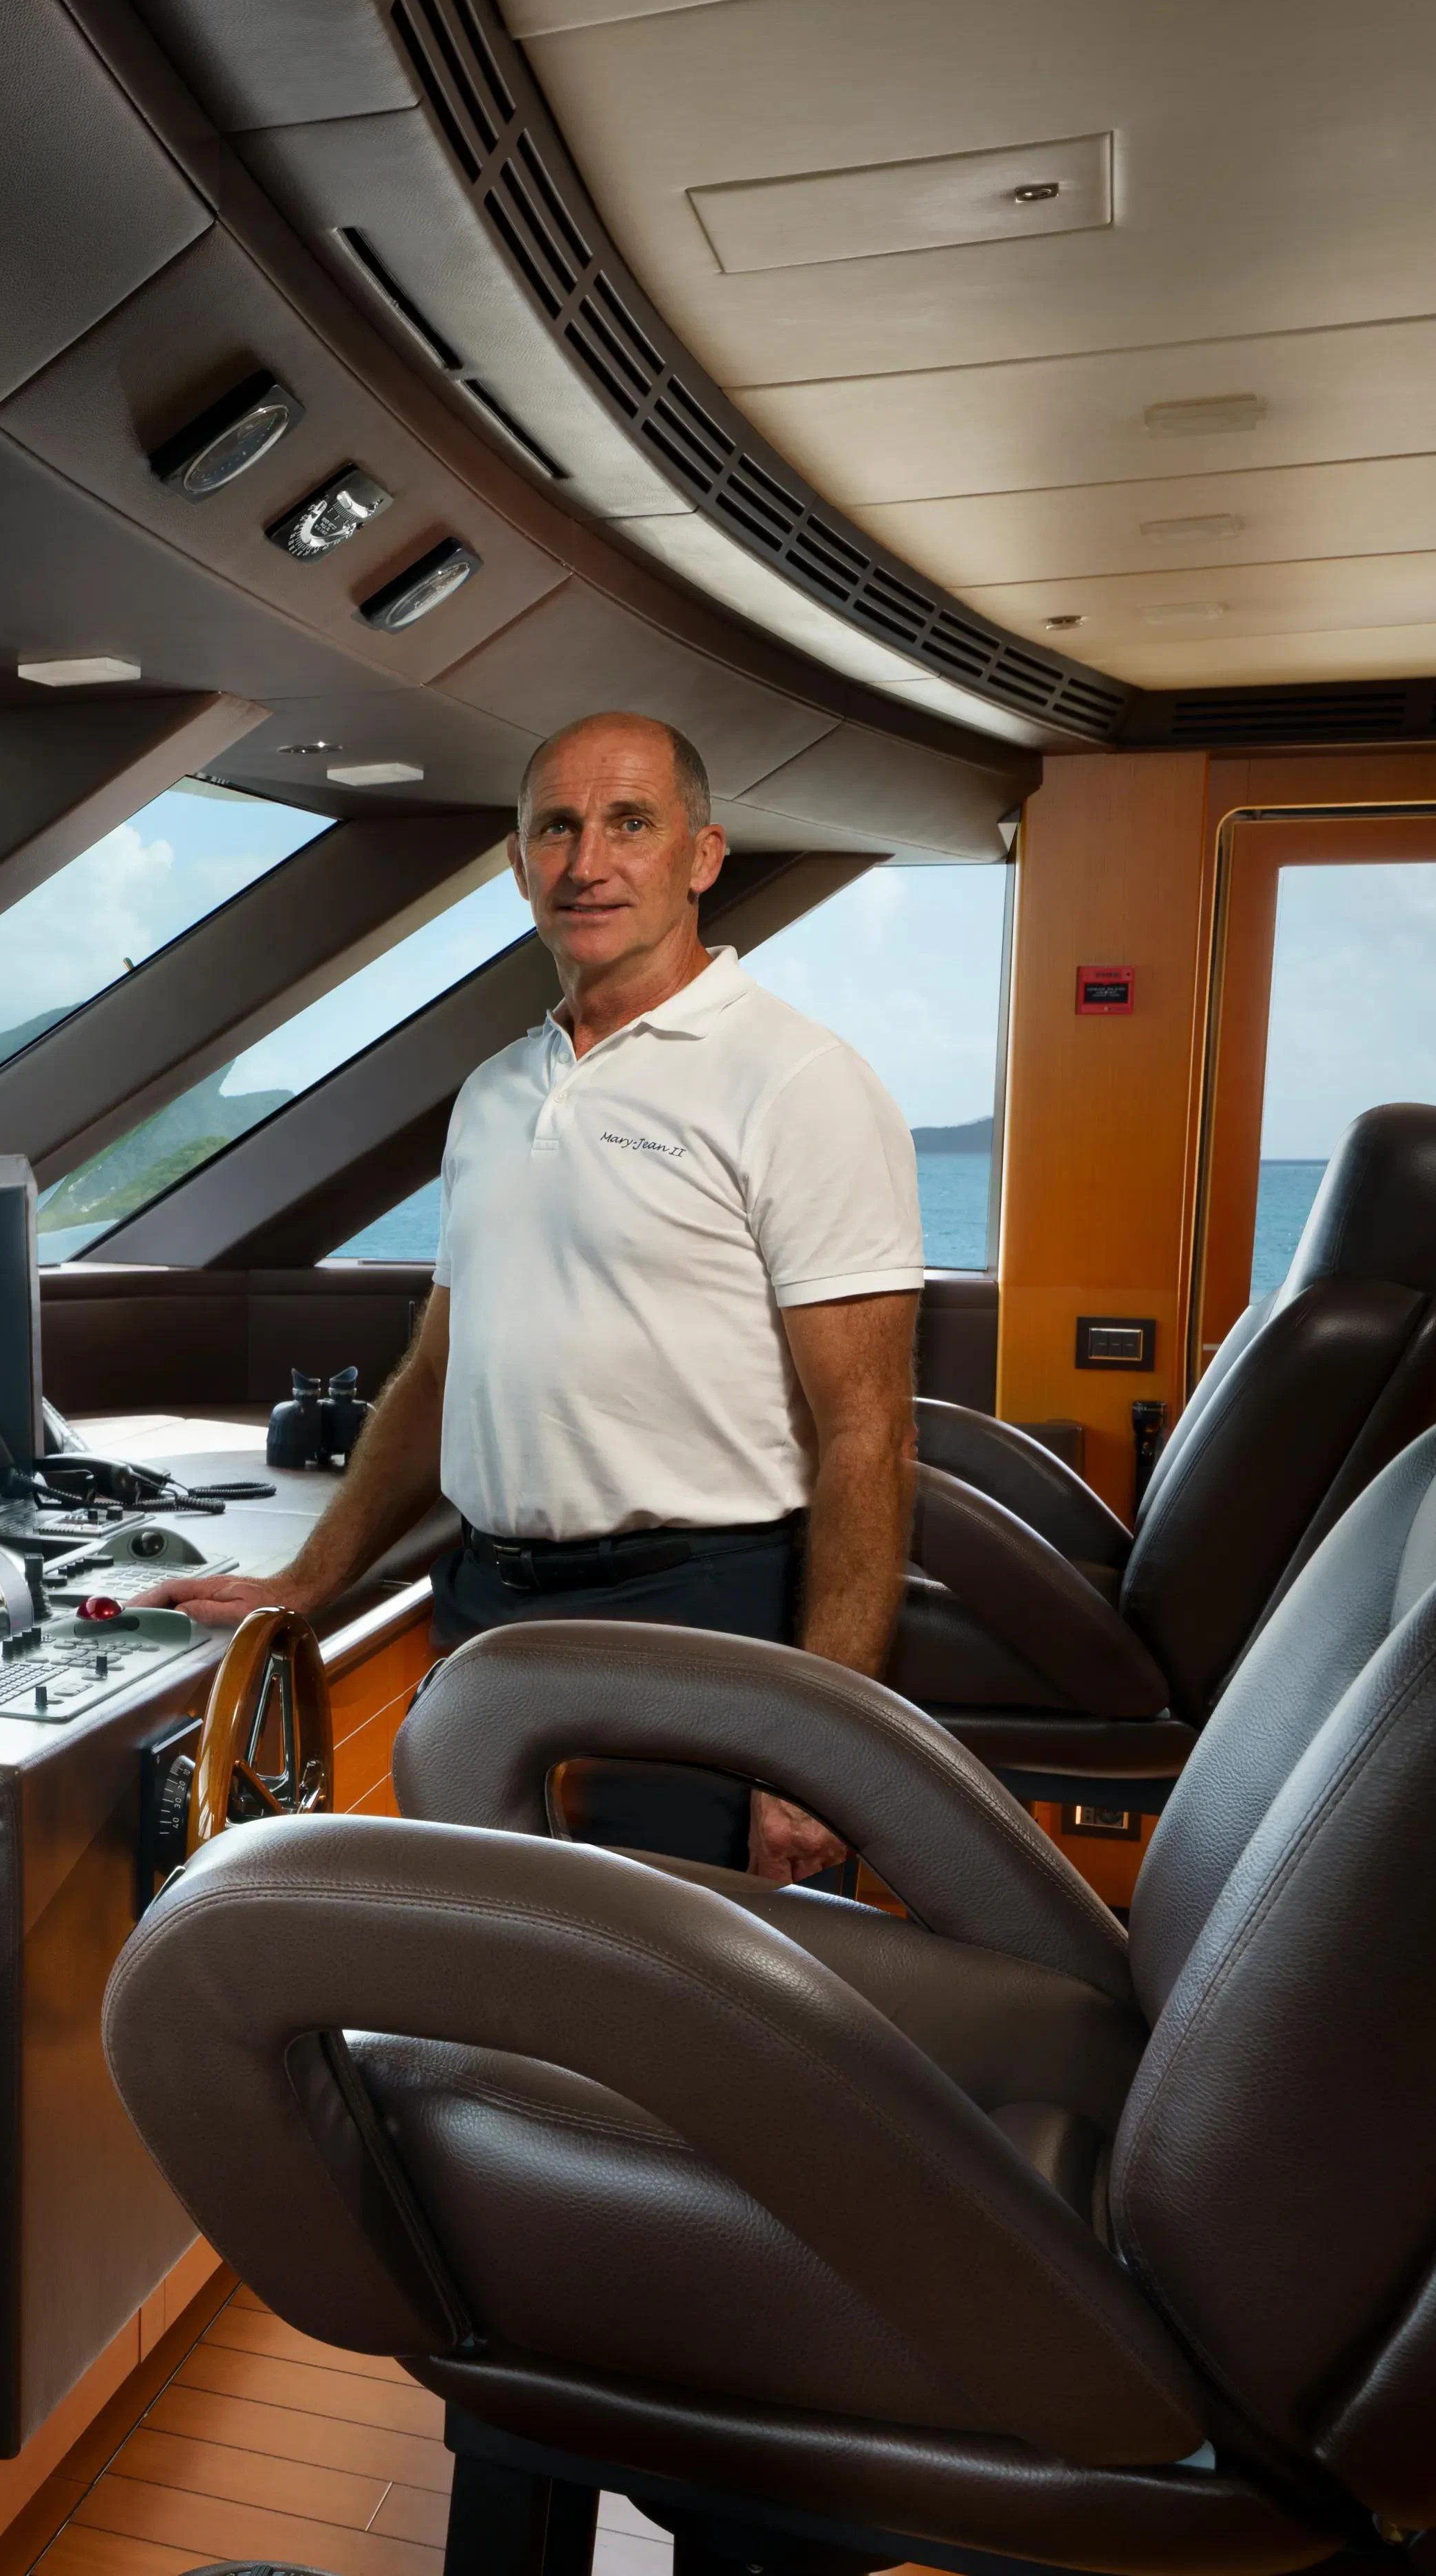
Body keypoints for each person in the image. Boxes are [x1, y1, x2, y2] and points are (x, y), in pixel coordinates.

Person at [145, 711, 921, 1885]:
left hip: (698, 1621)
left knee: (673, 2028)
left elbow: (873, 1434)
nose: (587, 862)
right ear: (518, 865)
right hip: (487, 1612)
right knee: (494, 1991)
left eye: (629, 824)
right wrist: (312, 1575)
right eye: (556, 827)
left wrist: (822, 1750)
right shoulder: (495, 1093)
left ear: (702, 856)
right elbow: (442, 1371)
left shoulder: (801, 1082)